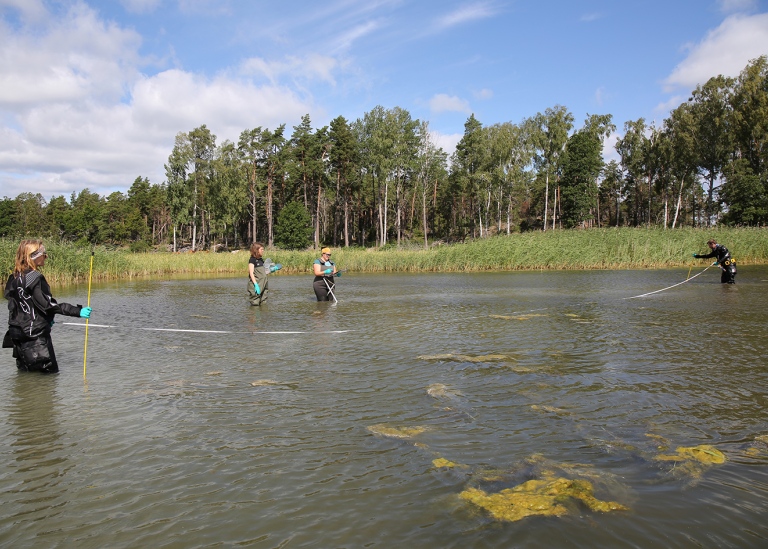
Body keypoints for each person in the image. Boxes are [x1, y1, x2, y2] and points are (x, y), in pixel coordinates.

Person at [3, 240, 92, 373]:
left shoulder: (14, 277)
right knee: (48, 378)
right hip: (36, 337)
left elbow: (17, 305)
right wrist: (78, 311)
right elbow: (48, 305)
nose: (46, 256)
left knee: (26, 378)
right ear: (32, 256)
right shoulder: (35, 277)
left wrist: (46, 319)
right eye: (43, 253)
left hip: (17, 335)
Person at [247, 242, 269, 306]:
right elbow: (251, 273)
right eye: (261, 249)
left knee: (263, 303)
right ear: (256, 250)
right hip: (256, 285)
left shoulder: (261, 260)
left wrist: (273, 269)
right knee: (255, 303)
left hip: (264, 284)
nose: (263, 251)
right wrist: (256, 285)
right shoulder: (252, 260)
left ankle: (263, 315)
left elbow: (265, 271)